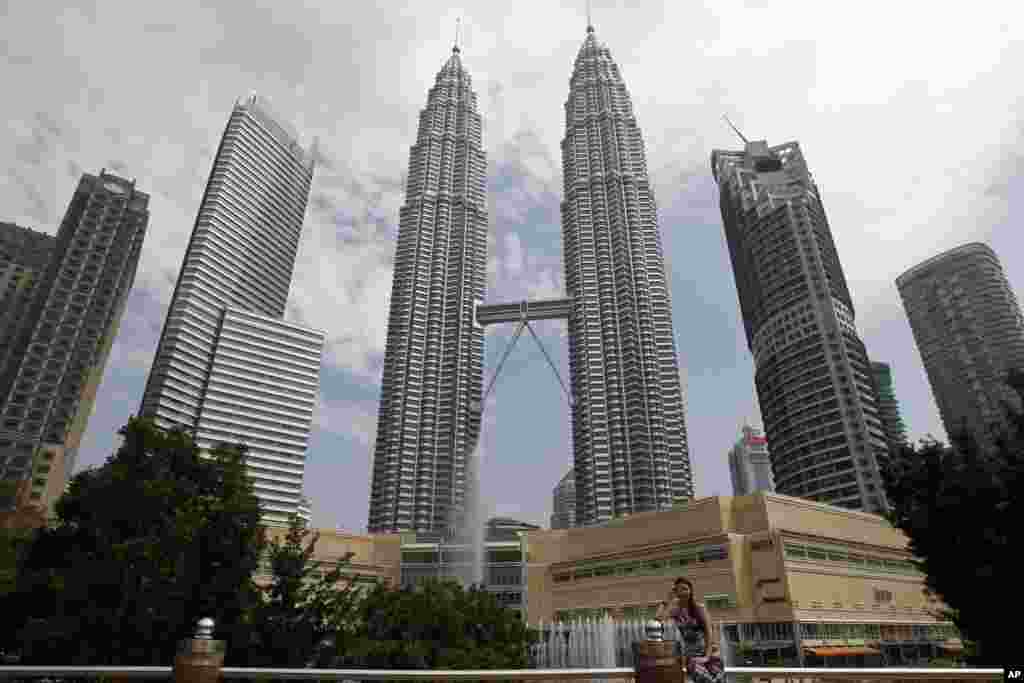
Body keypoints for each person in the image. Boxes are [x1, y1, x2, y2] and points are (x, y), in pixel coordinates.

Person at [655, 577, 725, 683]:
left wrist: (707, 656)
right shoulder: (675, 611)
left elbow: (709, 632)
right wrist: (667, 599)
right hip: (692, 657)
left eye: (685, 589)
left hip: (710, 654)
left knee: (718, 680)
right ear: (676, 592)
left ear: (691, 590)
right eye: (679, 589)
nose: (683, 592)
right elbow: (657, 619)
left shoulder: (699, 608)